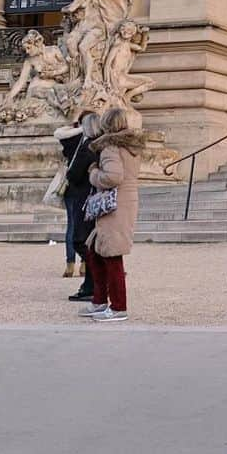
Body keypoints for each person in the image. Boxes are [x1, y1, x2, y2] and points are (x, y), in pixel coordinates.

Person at [79, 107, 145, 322]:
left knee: (111, 256)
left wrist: (93, 173)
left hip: (114, 206)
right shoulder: (130, 147)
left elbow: (113, 177)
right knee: (96, 252)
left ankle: (118, 307)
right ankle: (100, 301)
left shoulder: (111, 148)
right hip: (124, 203)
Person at [53, 109, 99, 293]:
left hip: (71, 188)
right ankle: (85, 264)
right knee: (85, 229)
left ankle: (70, 263)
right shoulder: (90, 140)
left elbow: (60, 133)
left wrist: (74, 125)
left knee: (72, 225)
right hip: (86, 187)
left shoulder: (69, 139)